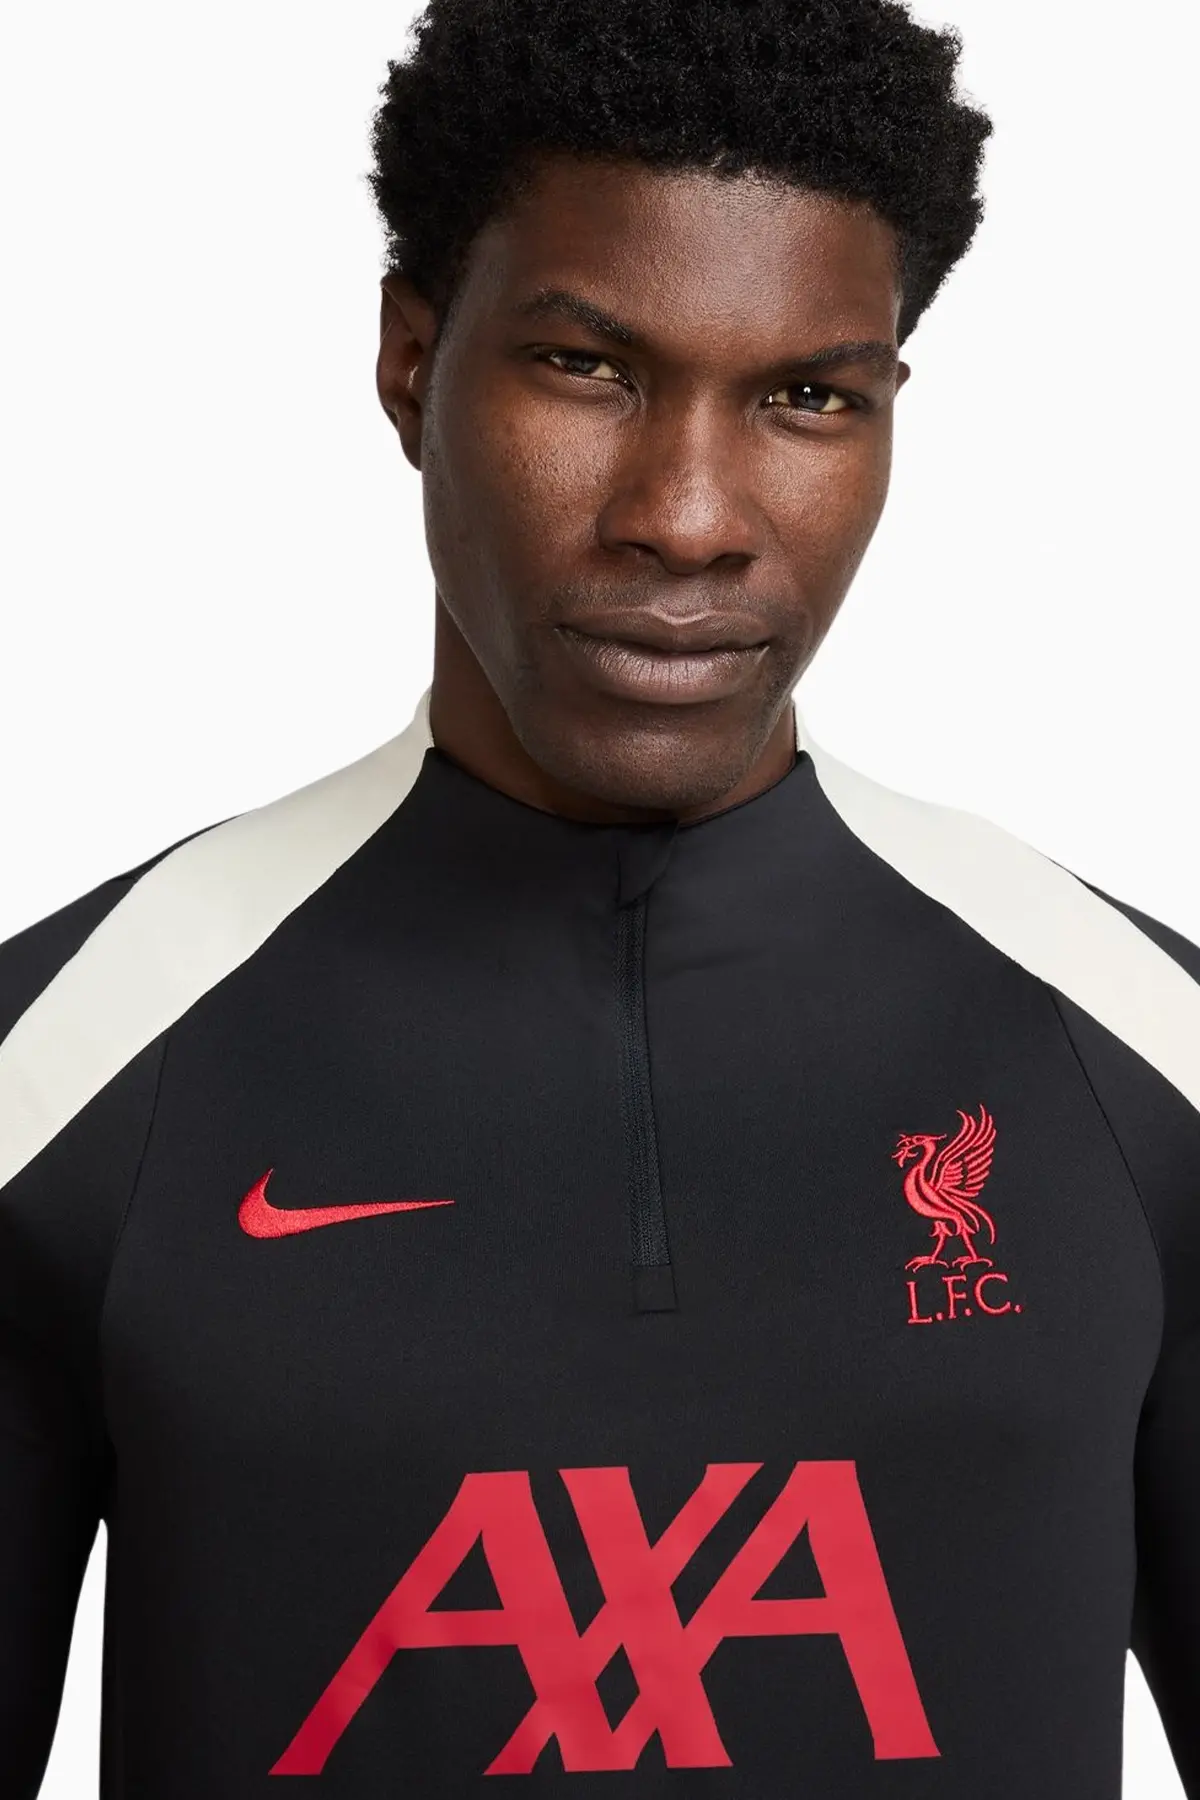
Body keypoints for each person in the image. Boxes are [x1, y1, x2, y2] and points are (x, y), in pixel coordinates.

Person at [1, 0, 1197, 1794]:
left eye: (808, 397)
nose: (689, 516)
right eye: (587, 368)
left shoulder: (1152, 1064)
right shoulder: (60, 1075)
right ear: (413, 364)